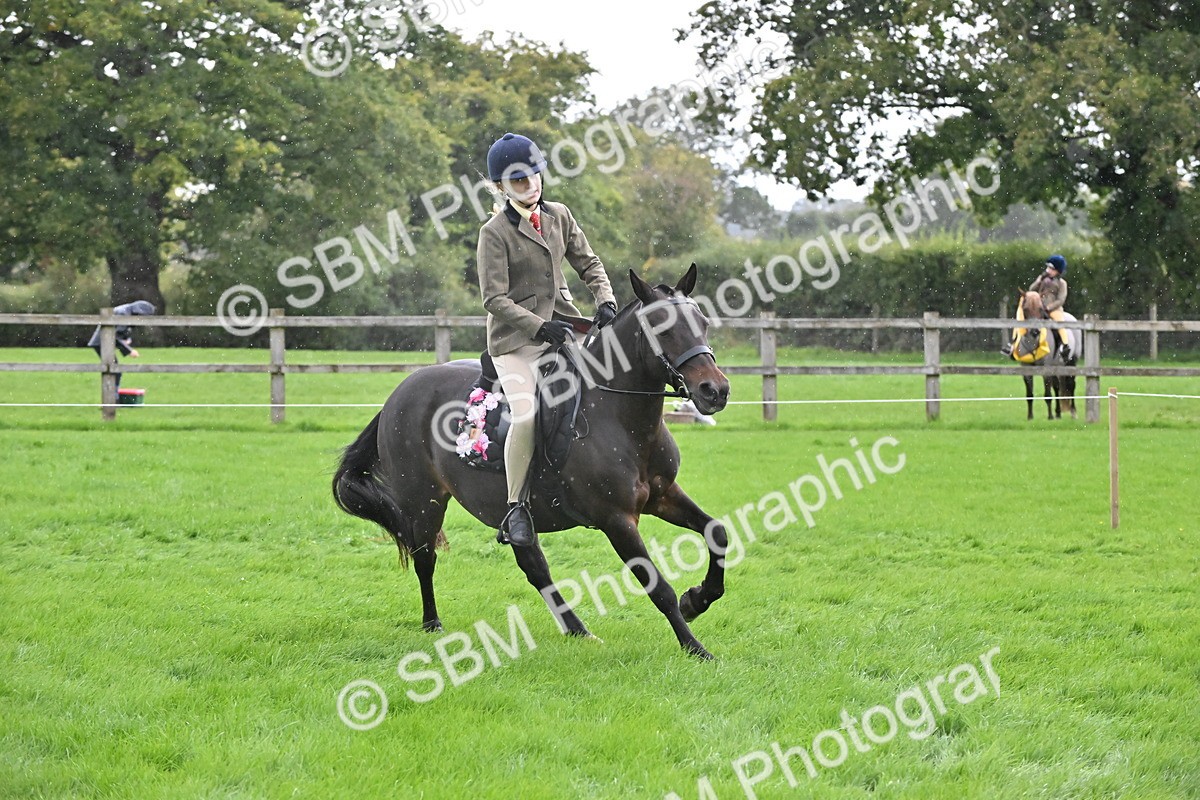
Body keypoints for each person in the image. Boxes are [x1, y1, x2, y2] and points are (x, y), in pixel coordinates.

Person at [476, 132, 617, 547]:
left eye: (535, 175)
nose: (531, 185)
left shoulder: (559, 215)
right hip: (516, 341)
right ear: (501, 187)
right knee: (526, 415)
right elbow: (493, 298)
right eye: (519, 181)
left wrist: (605, 299)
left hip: (563, 329)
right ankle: (516, 507)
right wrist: (538, 328)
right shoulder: (494, 232)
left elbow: (589, 262)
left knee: (603, 393)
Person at [1003, 255, 1070, 358]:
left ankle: (1064, 345)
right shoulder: (1042, 279)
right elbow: (1031, 289)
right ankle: (1013, 343)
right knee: (1021, 320)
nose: (1048, 270)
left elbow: (1061, 300)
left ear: (1058, 271)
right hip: (1038, 308)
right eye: (1047, 268)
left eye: (1051, 269)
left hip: (1053, 309)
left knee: (1059, 323)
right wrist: (1038, 281)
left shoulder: (1062, 283)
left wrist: (1049, 307)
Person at [87, 300, 156, 389]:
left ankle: (114, 393)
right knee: (113, 369)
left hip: (103, 341)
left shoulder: (127, 311)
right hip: (102, 342)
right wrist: (129, 351)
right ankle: (113, 395)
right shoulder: (124, 314)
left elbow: (121, 332)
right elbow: (114, 336)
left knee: (114, 369)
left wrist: (126, 340)